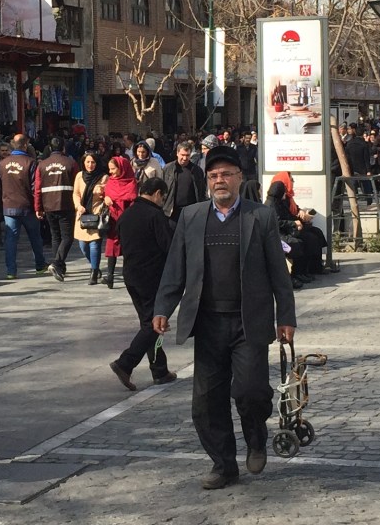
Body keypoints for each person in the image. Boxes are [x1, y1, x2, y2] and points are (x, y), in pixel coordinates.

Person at [152, 145, 297, 490]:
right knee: (206, 403)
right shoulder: (191, 217)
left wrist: (285, 316)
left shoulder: (260, 216)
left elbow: (278, 272)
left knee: (251, 391)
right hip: (208, 323)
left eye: (226, 175)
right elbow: (175, 267)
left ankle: (256, 438)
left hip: (249, 322)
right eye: (214, 175)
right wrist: (162, 307)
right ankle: (223, 464)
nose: (220, 180)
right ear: (208, 181)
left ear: (239, 178)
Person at [109, 176, 177, 391]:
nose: (162, 201)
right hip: (151, 278)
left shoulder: (127, 215)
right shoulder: (155, 216)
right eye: (162, 197)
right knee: (153, 324)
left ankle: (160, 370)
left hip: (131, 276)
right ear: (157, 194)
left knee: (148, 323)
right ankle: (125, 363)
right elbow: (169, 246)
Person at [0, 134, 47, 279]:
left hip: (9, 206)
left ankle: (11, 271)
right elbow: (35, 187)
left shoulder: (2, 164)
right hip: (27, 207)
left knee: (11, 239)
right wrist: (39, 207)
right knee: (35, 237)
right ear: (25, 145)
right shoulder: (30, 163)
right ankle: (40, 265)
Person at [35, 138, 78, 280]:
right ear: (63, 148)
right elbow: (77, 184)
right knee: (68, 237)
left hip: (48, 205)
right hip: (67, 204)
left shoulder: (42, 165)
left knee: (55, 236)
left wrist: (38, 207)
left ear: (49, 148)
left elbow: (37, 188)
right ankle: (57, 262)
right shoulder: (71, 163)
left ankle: (60, 267)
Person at [100, 154, 139, 290]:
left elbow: (133, 199)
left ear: (121, 168)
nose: (111, 172)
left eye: (113, 169)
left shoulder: (131, 182)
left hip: (126, 219)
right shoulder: (111, 181)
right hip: (113, 219)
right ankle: (110, 276)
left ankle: (129, 275)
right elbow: (107, 194)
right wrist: (106, 198)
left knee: (128, 248)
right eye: (109, 169)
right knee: (112, 247)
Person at [72, 151, 106, 284]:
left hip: (96, 214)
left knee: (94, 245)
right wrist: (78, 206)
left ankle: (94, 272)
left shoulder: (103, 177)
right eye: (88, 162)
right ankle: (94, 266)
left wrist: (103, 194)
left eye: (93, 162)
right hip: (82, 215)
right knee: (83, 245)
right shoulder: (79, 176)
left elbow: (108, 194)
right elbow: (76, 193)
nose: (90, 165)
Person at [163, 141, 205, 221]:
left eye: (187, 155)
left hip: (191, 211)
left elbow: (202, 191)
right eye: (182, 155)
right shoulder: (168, 169)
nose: (185, 158)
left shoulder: (197, 171)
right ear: (177, 153)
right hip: (172, 212)